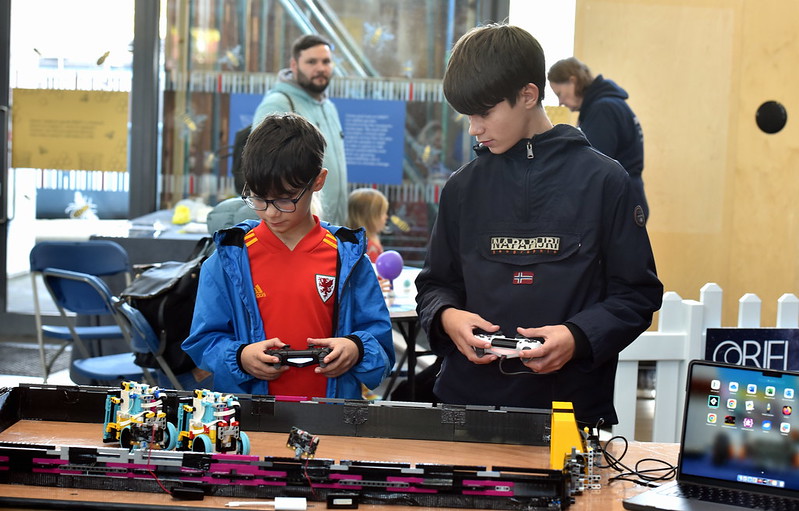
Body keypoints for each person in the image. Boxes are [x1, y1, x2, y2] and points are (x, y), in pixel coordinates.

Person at [414, 23, 663, 428]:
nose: (474, 128)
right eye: (468, 116)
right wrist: (446, 317)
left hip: (569, 411)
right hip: (466, 407)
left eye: (484, 113)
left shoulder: (605, 182)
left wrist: (578, 336)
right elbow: (435, 284)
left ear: (528, 95)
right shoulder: (462, 188)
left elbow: (636, 294)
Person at [183, 113, 395, 399]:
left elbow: (380, 342)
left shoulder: (349, 257)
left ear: (318, 181)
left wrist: (356, 349)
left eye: (285, 198)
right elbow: (204, 341)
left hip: (332, 418)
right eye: (258, 197)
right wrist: (241, 356)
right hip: (250, 421)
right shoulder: (228, 258)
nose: (270, 211)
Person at [252, 34, 348, 226]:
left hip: (329, 232)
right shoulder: (279, 103)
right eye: (312, 62)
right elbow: (262, 173)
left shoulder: (328, 107)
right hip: (296, 231)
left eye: (326, 61)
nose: (320, 68)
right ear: (294, 65)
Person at [548, 57, 649, 218]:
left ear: (573, 81)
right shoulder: (609, 104)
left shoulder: (603, 109)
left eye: (559, 93)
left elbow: (593, 166)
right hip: (628, 195)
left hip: (619, 203)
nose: (560, 102)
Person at [346, 188, 389, 263]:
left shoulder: (359, 242)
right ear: (370, 217)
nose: (386, 217)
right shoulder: (368, 248)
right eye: (383, 213)